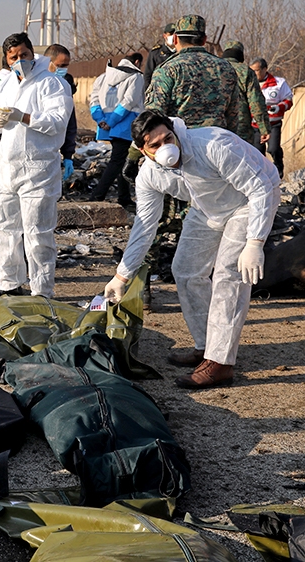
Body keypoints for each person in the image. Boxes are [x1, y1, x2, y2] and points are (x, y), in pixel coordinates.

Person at [104, 111, 279, 389]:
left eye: (168, 138)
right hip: (207, 206)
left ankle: (220, 363)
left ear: (174, 130)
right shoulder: (150, 175)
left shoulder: (213, 146)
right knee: (184, 270)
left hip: (248, 202)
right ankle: (207, 345)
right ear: (142, 150)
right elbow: (145, 225)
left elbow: (260, 189)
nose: (166, 148)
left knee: (228, 276)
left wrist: (255, 242)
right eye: (155, 145)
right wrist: (122, 275)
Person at [0, 32, 73, 298]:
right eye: (13, 57)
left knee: (38, 233)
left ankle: (41, 289)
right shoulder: (5, 84)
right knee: (5, 228)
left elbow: (58, 120)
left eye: (23, 55)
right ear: (7, 59)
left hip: (38, 168)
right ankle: (9, 283)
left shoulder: (51, 83)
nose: (19, 60)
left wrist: (23, 117)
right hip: (9, 168)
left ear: (31, 53)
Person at [145, 15, 239, 132]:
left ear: (175, 39)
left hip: (183, 142)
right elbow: (233, 115)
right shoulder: (226, 68)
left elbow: (154, 115)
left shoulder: (168, 69)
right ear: (204, 40)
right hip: (219, 141)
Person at [88, 53, 145, 207]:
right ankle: (97, 196)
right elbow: (129, 101)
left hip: (106, 123)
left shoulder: (104, 76)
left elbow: (93, 100)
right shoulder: (136, 76)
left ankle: (124, 197)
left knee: (121, 160)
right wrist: (113, 121)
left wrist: (101, 120)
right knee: (117, 161)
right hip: (125, 123)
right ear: (137, 62)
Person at [250, 57, 294, 178]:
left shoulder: (278, 83)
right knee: (257, 152)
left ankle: (278, 168)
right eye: (251, 70)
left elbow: (288, 100)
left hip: (273, 124)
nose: (253, 73)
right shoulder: (249, 84)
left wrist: (279, 107)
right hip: (255, 125)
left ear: (265, 69)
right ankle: (262, 175)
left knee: (273, 149)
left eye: (256, 70)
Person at [221, 41, 270, 145]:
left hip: (215, 125)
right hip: (240, 126)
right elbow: (256, 102)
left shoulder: (212, 68)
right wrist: (264, 128)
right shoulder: (246, 71)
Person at [45, 44, 77, 184]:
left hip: (54, 149)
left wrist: (68, 155)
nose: (63, 69)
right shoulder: (36, 83)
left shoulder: (66, 86)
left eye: (66, 65)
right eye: (60, 65)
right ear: (48, 62)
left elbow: (70, 121)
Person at [143, 23, 176, 91]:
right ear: (164, 35)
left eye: (176, 34)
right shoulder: (156, 53)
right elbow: (148, 75)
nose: (173, 36)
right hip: (160, 91)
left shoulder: (182, 52)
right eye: (171, 34)